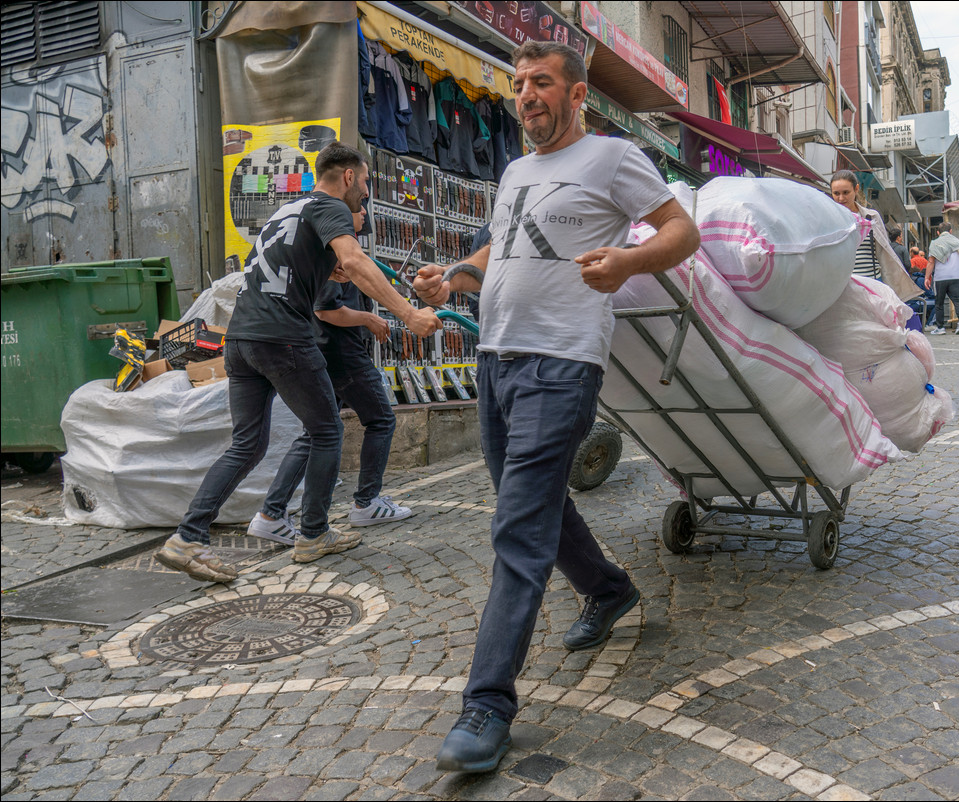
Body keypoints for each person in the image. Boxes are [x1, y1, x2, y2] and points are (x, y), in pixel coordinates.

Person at [413, 40, 700, 774]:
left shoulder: (611, 159)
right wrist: (450, 280)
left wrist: (630, 260)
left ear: (576, 96)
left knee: (517, 526)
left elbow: (681, 231)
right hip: (498, 359)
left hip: (562, 362)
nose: (526, 95)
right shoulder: (514, 172)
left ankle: (486, 706)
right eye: (518, 85)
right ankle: (608, 590)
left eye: (542, 83)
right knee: (530, 502)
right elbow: (493, 255)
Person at [155, 141, 440, 582]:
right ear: (347, 176)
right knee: (326, 430)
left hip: (242, 337)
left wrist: (325, 270)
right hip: (283, 338)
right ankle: (313, 534)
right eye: (364, 183)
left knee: (246, 444)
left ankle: (187, 538)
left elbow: (276, 266)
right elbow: (355, 258)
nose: (365, 193)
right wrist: (408, 313)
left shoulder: (288, 209)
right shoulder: (332, 207)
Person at [247, 210, 412, 543]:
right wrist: (369, 318)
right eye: (359, 204)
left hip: (327, 352)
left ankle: (271, 513)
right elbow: (326, 310)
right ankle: (365, 503)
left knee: (315, 434)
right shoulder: (331, 250)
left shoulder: (339, 250)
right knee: (381, 419)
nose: (364, 211)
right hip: (341, 353)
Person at [828, 170, 919, 302]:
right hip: (843, 288)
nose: (841, 198)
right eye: (836, 193)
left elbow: (883, 252)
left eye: (846, 192)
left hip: (873, 285)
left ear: (856, 189)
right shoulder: (829, 220)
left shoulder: (871, 217)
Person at [924, 221, 959, 334]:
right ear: (951, 231)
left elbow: (931, 262)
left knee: (939, 303)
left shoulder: (935, 243)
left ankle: (940, 328)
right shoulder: (958, 242)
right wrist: (954, 268)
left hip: (940, 277)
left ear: (938, 232)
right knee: (957, 299)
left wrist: (926, 278)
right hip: (955, 276)